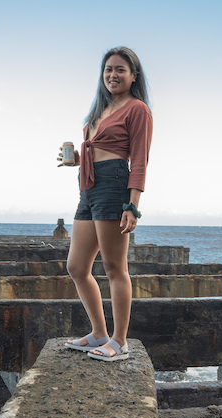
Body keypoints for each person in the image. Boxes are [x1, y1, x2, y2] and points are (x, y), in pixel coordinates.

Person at [57, 46, 153, 362]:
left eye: (120, 70)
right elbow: (98, 151)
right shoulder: (100, 110)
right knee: (77, 267)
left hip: (114, 185)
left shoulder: (137, 109)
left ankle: (119, 341)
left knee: (114, 268)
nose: (113, 74)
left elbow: (139, 159)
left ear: (133, 76)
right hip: (88, 187)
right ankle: (99, 333)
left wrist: (132, 205)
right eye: (108, 69)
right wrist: (78, 162)